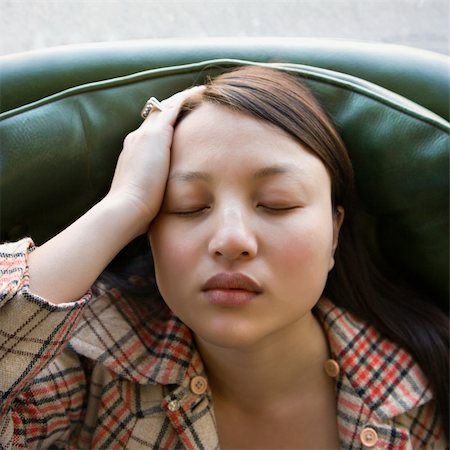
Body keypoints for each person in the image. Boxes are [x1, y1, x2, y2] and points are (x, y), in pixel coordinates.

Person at [0, 66, 448, 449]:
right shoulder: (90, 366)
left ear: (334, 231)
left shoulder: (422, 390)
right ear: (148, 235)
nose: (231, 240)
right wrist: (122, 206)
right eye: (187, 206)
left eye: (277, 202)